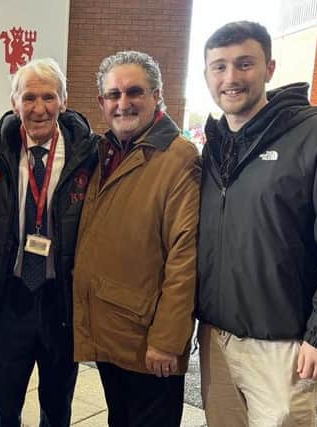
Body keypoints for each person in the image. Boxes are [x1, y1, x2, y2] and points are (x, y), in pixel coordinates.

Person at [197, 21, 317, 426]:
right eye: (219, 67)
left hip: (284, 346)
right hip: (216, 337)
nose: (231, 78)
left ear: (269, 68)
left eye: (244, 64)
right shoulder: (214, 149)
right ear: (206, 76)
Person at [72, 50, 200, 427]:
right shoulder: (104, 151)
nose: (123, 104)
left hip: (150, 342)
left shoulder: (177, 158)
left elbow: (185, 256)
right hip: (115, 333)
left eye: (134, 92)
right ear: (101, 102)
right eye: (113, 95)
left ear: (156, 95)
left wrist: (167, 340)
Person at [0, 57, 98, 427]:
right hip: (9, 299)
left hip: (60, 301)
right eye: (29, 98)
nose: (39, 108)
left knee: (58, 407)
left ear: (64, 100)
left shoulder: (89, 155)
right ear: (14, 103)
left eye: (49, 97)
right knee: (5, 407)